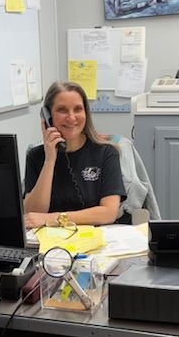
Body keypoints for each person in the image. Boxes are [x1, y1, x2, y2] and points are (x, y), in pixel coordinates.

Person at [23, 81, 126, 229]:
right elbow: (33, 214)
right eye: (62, 110)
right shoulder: (35, 156)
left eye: (78, 109)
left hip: (96, 239)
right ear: (47, 116)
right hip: (52, 243)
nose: (71, 118)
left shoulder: (106, 153)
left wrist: (55, 218)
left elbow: (108, 213)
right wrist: (50, 160)